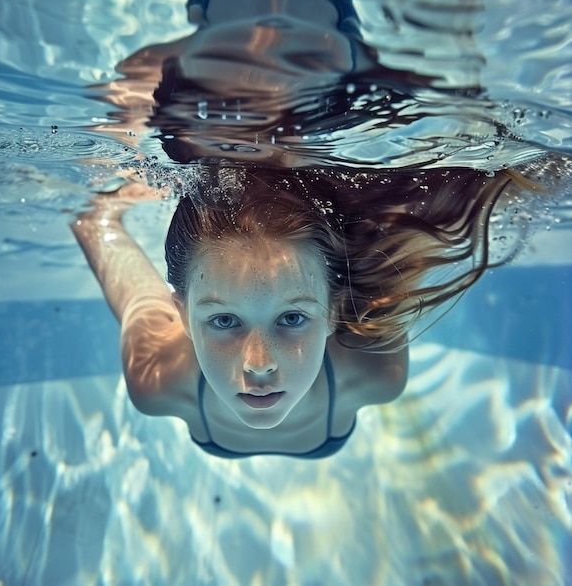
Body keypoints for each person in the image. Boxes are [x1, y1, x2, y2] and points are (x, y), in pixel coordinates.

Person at [72, 164, 526, 458]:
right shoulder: (157, 379)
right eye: (224, 320)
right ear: (184, 316)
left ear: (334, 310)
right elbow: (121, 271)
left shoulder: (375, 370)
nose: (259, 364)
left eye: (291, 318)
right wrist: (100, 215)